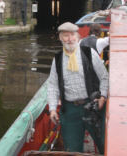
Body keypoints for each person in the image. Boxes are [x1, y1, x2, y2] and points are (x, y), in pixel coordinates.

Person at [47, 22, 109, 153]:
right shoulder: (57, 59)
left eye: (72, 35)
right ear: (60, 38)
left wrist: (103, 96)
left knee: (104, 145)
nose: (69, 39)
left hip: (93, 106)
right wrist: (52, 108)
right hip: (70, 110)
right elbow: (52, 85)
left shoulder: (89, 53)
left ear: (78, 36)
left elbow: (104, 76)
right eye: (65, 36)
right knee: (72, 150)